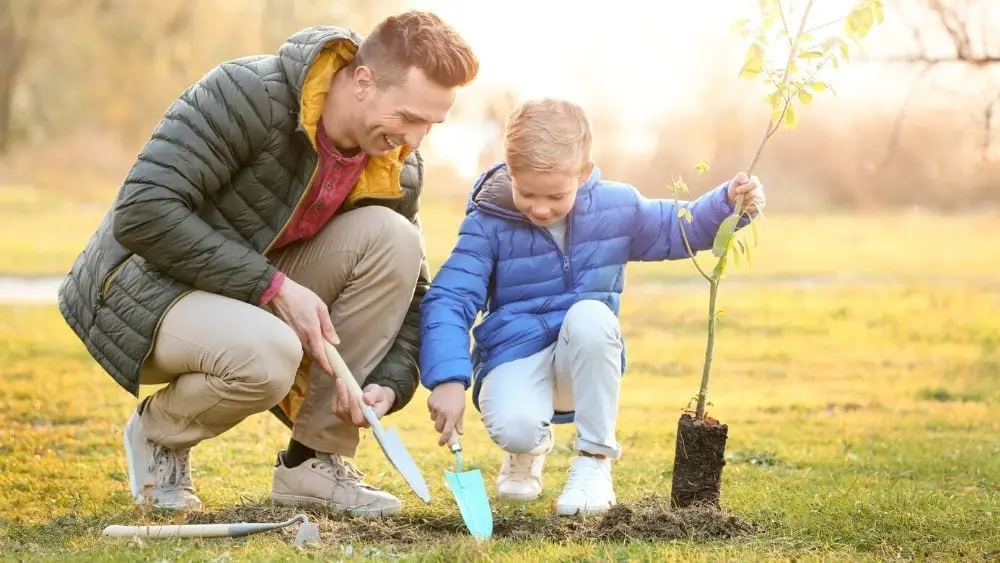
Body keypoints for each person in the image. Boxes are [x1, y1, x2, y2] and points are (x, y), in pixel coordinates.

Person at [56, 11, 479, 516]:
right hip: (147, 288)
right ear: (364, 80)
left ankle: (313, 463)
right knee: (271, 352)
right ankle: (158, 434)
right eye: (409, 117)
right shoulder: (247, 93)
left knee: (396, 241)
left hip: (248, 294)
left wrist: (389, 381)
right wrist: (274, 287)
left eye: (431, 124)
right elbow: (143, 212)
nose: (415, 139)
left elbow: (412, 291)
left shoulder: (397, 163)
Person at [419, 98, 765, 516]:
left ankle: (593, 463)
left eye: (555, 195)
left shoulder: (616, 208)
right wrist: (449, 378)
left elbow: (680, 227)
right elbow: (451, 297)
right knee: (517, 428)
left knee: (591, 315)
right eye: (526, 192)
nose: (540, 208)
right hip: (515, 355)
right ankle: (526, 452)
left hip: (582, 360)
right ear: (509, 172)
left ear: (583, 174)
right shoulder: (488, 223)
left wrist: (729, 204)